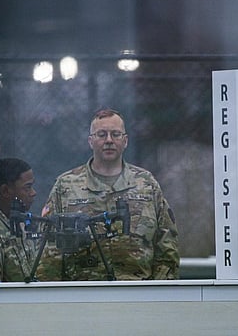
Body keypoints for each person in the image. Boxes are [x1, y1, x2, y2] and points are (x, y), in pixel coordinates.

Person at [35, 108, 179, 281]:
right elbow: (48, 249)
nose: (109, 140)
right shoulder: (65, 186)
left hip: (138, 292)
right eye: (102, 134)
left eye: (116, 134)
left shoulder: (146, 184)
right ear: (90, 141)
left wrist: (158, 293)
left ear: (125, 141)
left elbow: (166, 244)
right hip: (83, 294)